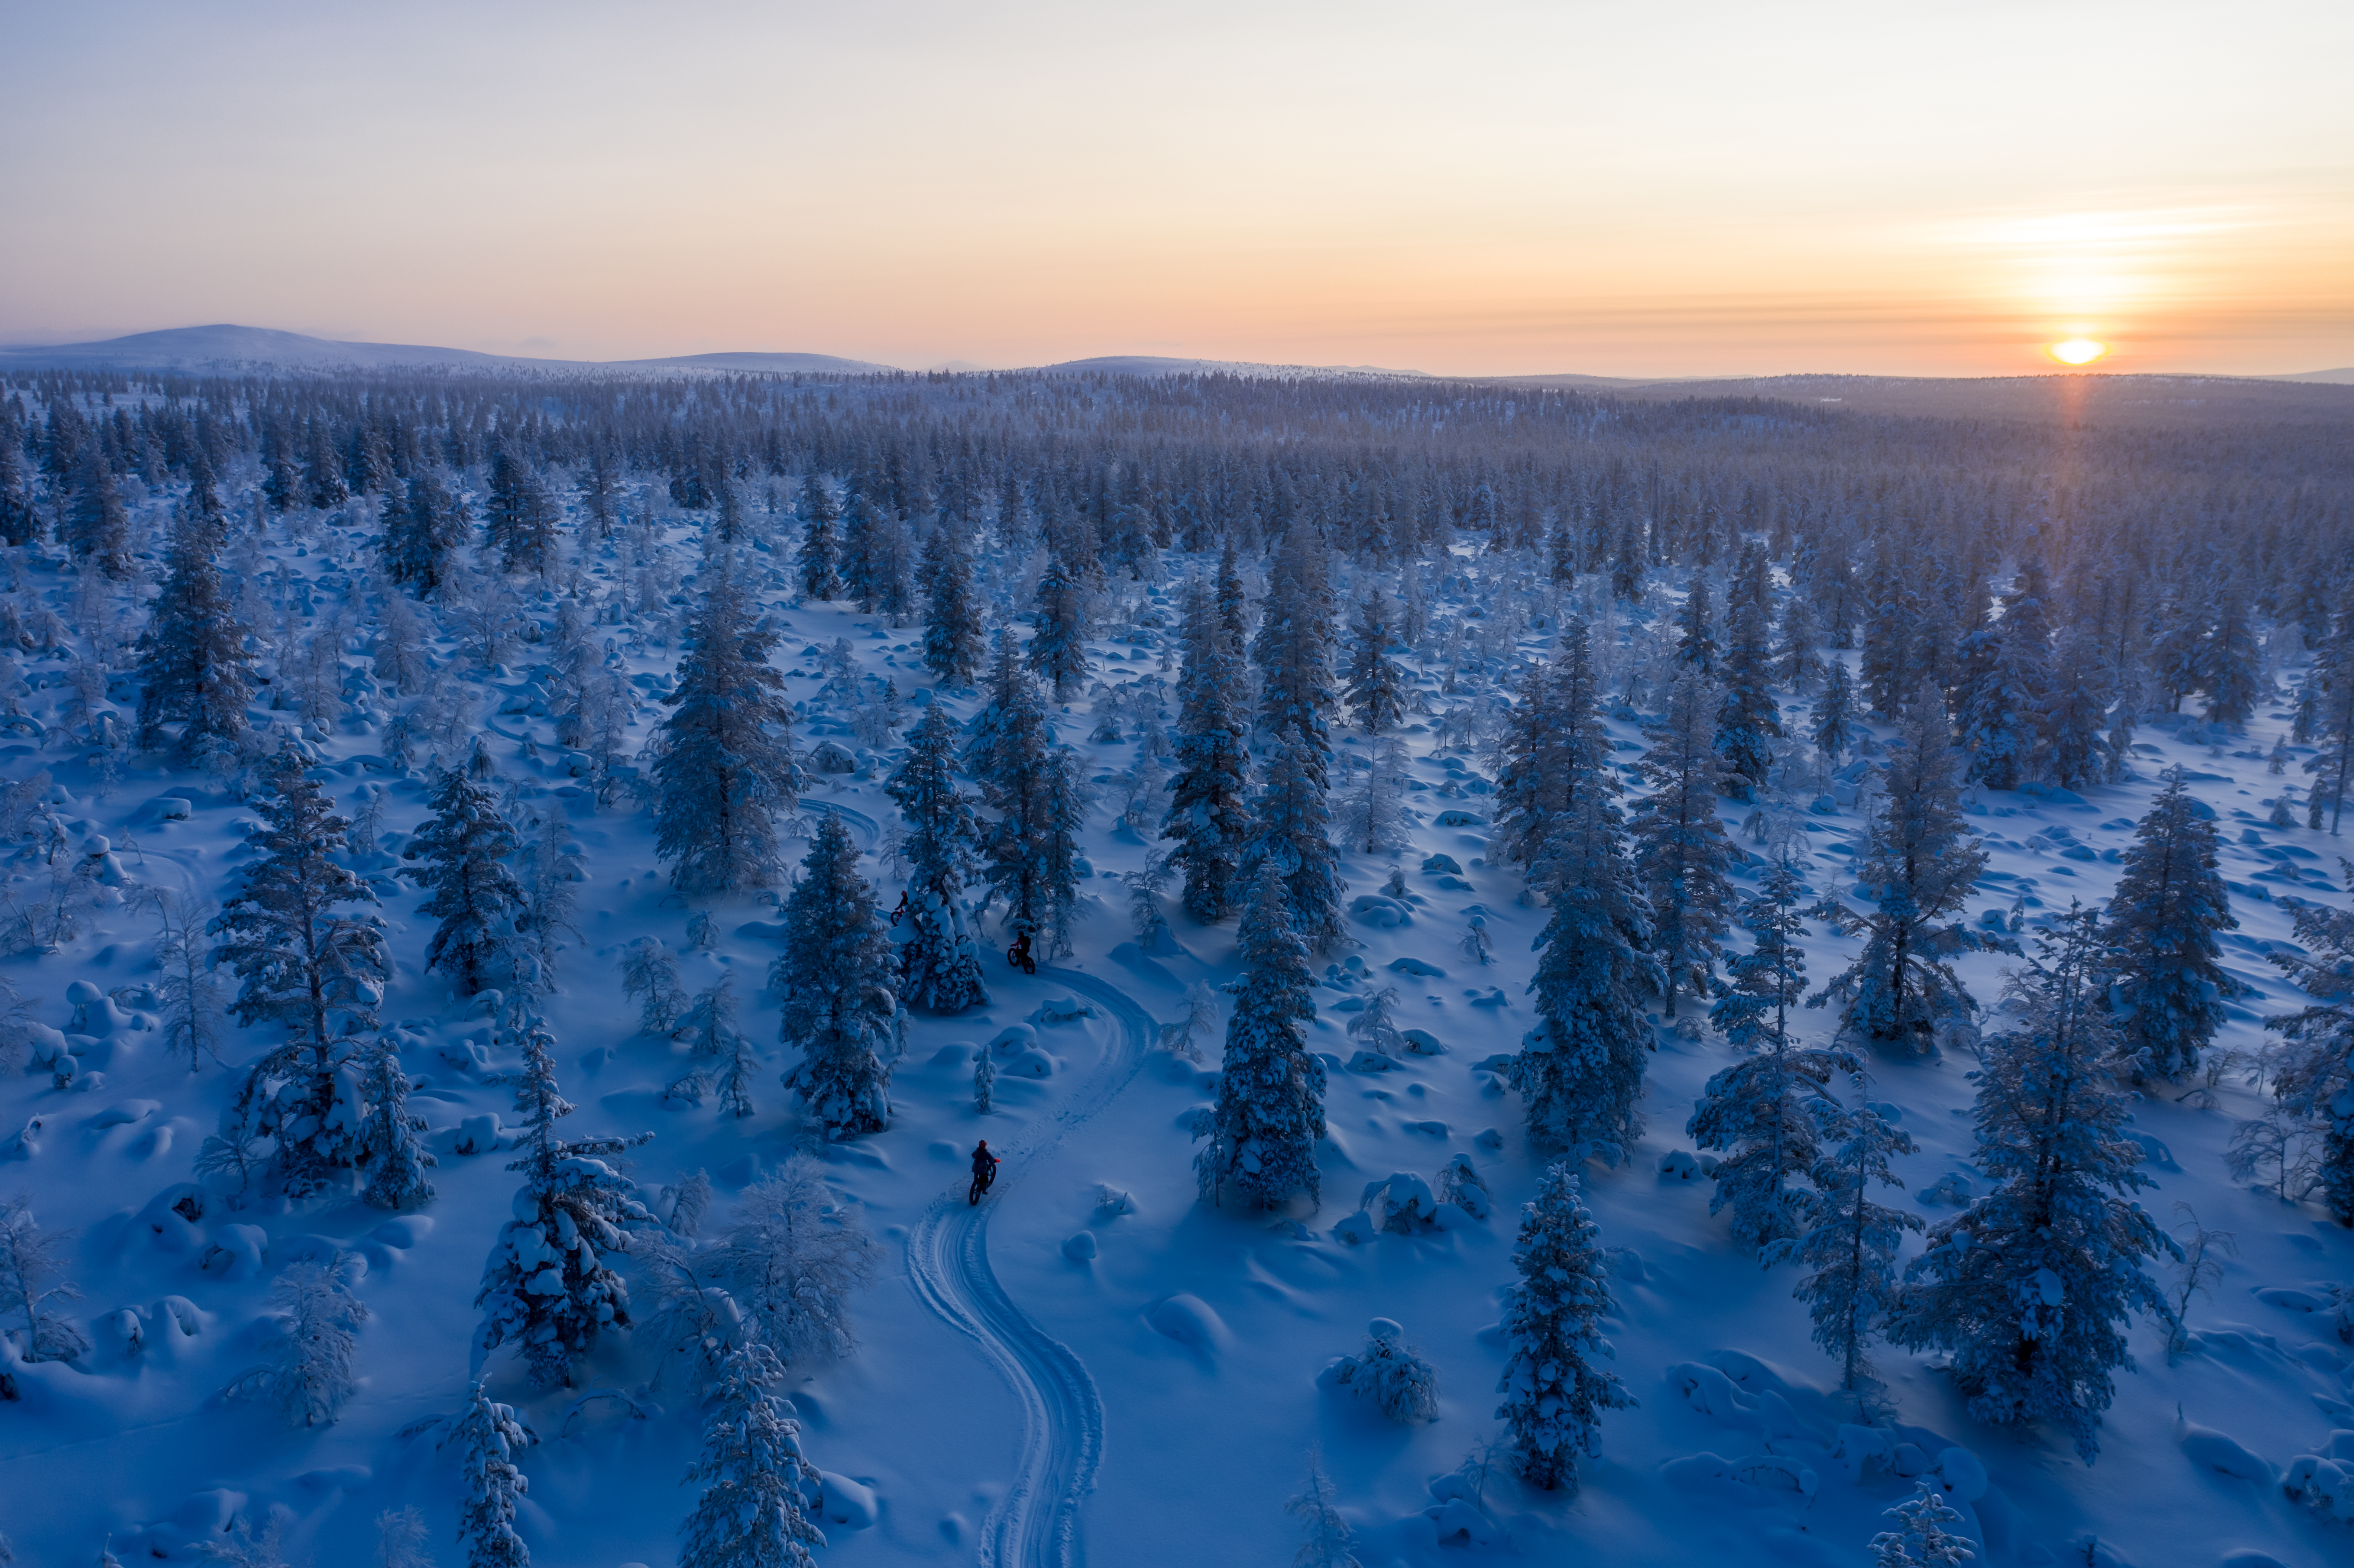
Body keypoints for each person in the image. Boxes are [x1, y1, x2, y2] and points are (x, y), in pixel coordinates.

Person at [968, 1139, 1000, 1205]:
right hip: (982, 1169)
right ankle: (985, 1189)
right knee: (985, 1179)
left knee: (976, 1176)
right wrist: (995, 1161)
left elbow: (973, 1155)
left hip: (975, 1168)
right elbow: (991, 1161)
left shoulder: (977, 1152)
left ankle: (976, 1183)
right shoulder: (986, 1154)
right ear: (985, 1146)